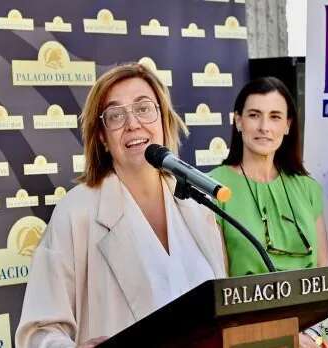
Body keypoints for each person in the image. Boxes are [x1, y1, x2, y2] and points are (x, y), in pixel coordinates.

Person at [16, 63, 226, 347]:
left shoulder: (198, 208)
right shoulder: (76, 213)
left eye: (143, 108)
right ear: (102, 137)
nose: (133, 124)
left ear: (164, 119)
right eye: (115, 115)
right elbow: (38, 332)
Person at [209, 76, 328, 348]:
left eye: (275, 117)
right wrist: (283, 338)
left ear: (287, 126)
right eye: (254, 115)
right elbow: (219, 289)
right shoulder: (214, 188)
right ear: (238, 121)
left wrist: (309, 336)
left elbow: (324, 276)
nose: (264, 127)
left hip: (308, 337)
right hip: (245, 339)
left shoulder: (308, 188)